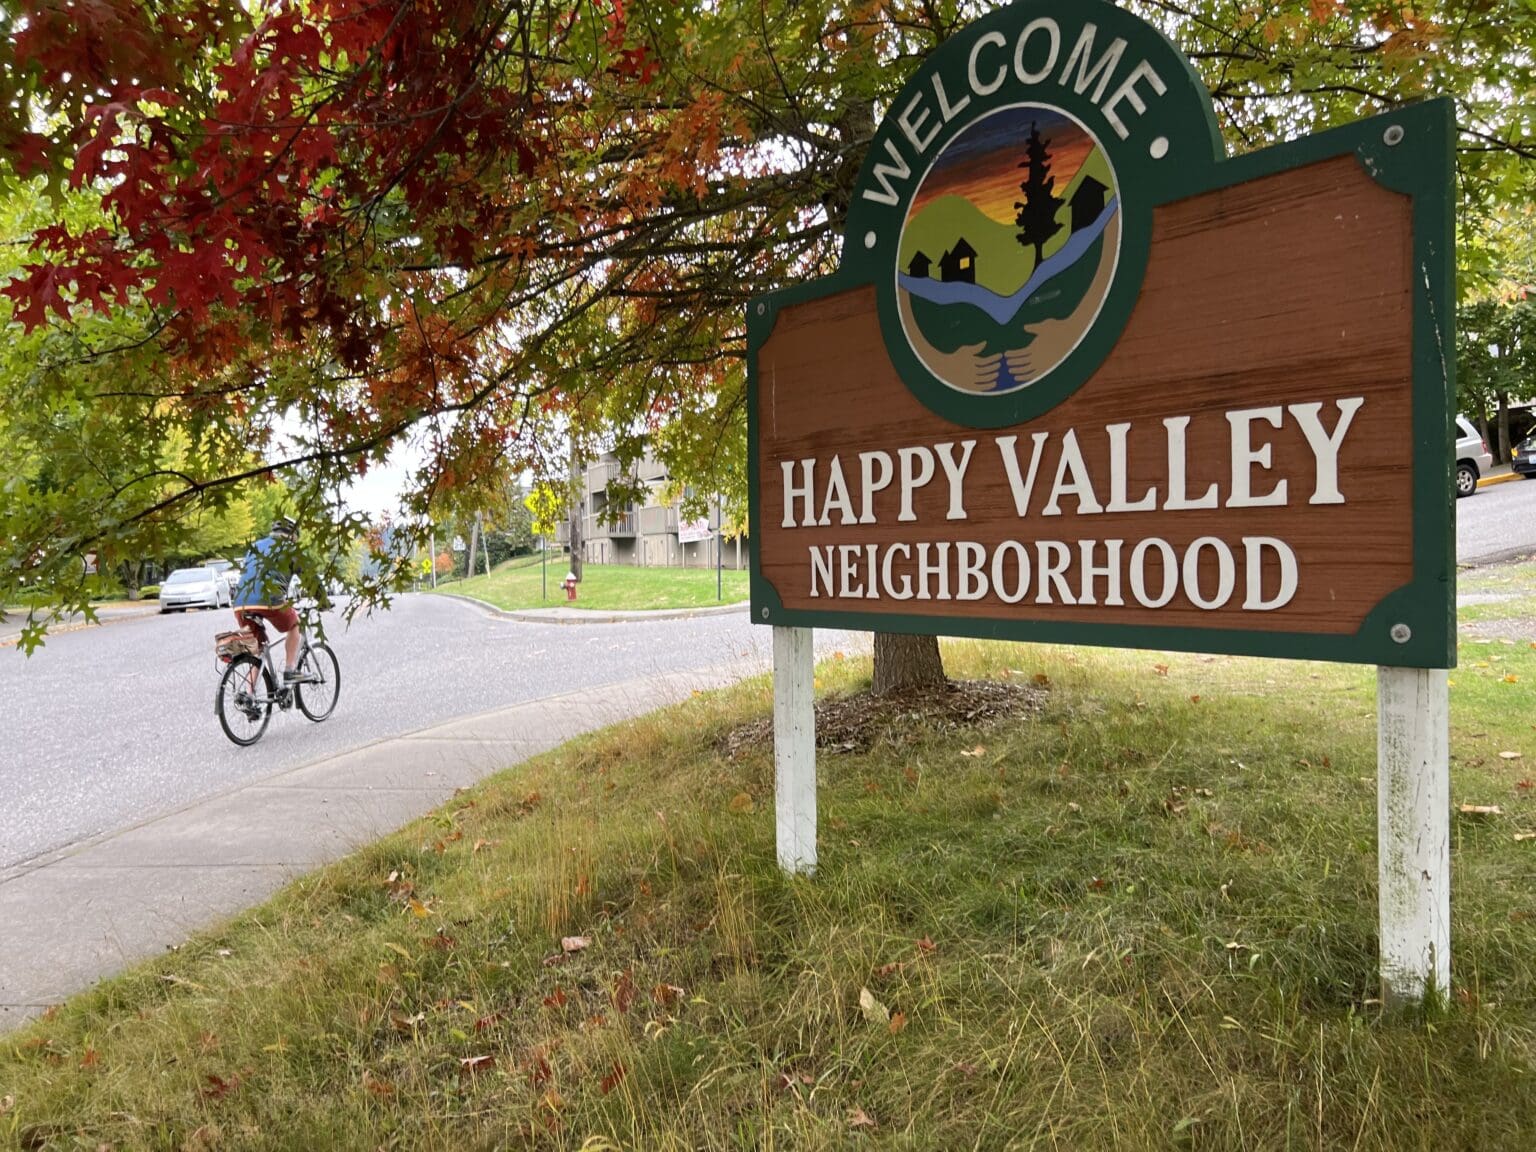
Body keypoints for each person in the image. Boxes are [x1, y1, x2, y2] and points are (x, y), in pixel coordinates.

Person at [232, 517, 303, 682]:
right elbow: (311, 580)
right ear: (293, 536)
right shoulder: (292, 549)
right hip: (269, 600)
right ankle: (290, 669)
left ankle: (249, 694)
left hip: (241, 603)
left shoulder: (255, 546)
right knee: (295, 624)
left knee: (259, 650)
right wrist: (323, 601)